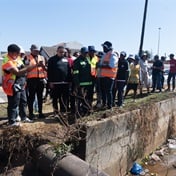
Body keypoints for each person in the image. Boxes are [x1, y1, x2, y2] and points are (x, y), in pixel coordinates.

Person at [2, 44, 40, 126]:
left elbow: (24, 68)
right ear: (11, 53)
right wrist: (30, 66)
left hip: (21, 83)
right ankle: (12, 121)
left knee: (23, 101)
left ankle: (23, 117)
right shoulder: (7, 61)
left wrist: (30, 66)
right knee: (13, 103)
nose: (19, 55)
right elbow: (18, 72)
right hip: (12, 84)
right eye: (17, 53)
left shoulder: (17, 58)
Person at [48, 46, 72, 117]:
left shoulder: (66, 60)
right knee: (55, 98)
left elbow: (69, 71)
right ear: (57, 51)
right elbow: (49, 71)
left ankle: (63, 111)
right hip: (55, 83)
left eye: (63, 52)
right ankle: (56, 112)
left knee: (64, 98)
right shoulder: (52, 60)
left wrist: (70, 81)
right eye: (60, 52)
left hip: (65, 82)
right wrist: (50, 82)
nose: (62, 53)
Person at [25, 44, 47, 119]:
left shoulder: (42, 57)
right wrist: (36, 65)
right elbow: (26, 69)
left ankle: (40, 113)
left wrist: (43, 66)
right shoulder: (27, 57)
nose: (37, 52)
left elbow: (45, 68)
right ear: (31, 50)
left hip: (40, 79)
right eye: (35, 51)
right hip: (32, 80)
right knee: (31, 97)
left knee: (40, 97)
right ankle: (31, 113)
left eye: (38, 51)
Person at [73, 47, 92, 116]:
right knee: (81, 99)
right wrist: (77, 84)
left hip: (89, 84)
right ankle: (79, 113)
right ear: (81, 53)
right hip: (81, 84)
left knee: (88, 99)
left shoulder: (88, 60)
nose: (86, 54)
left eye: (87, 53)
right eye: (84, 53)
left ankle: (87, 111)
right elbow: (75, 73)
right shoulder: (77, 61)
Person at [99, 41, 118, 109]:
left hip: (110, 77)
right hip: (103, 76)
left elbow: (111, 66)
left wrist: (101, 66)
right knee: (103, 91)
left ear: (108, 48)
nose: (103, 48)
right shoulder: (105, 54)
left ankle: (110, 105)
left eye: (104, 47)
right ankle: (104, 104)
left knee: (108, 91)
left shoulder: (113, 55)